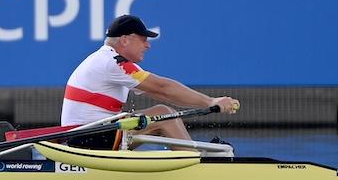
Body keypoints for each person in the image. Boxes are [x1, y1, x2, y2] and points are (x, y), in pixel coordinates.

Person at [61, 14, 240, 149]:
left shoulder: (105, 59)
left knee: (160, 114)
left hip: (90, 135)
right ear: (125, 40)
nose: (148, 45)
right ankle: (195, 165)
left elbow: (161, 93)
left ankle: (187, 157)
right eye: (143, 39)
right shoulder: (114, 63)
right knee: (163, 114)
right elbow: (163, 88)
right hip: (87, 138)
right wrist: (210, 101)